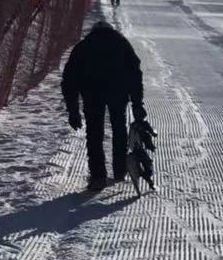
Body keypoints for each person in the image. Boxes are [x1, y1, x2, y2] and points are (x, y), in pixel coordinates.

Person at [61, 20, 154, 191]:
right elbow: (135, 74)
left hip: (92, 94)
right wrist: (137, 103)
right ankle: (120, 170)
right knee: (119, 129)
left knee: (94, 133)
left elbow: (69, 80)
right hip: (118, 94)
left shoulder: (83, 46)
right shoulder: (122, 44)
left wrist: (73, 109)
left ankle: (98, 177)